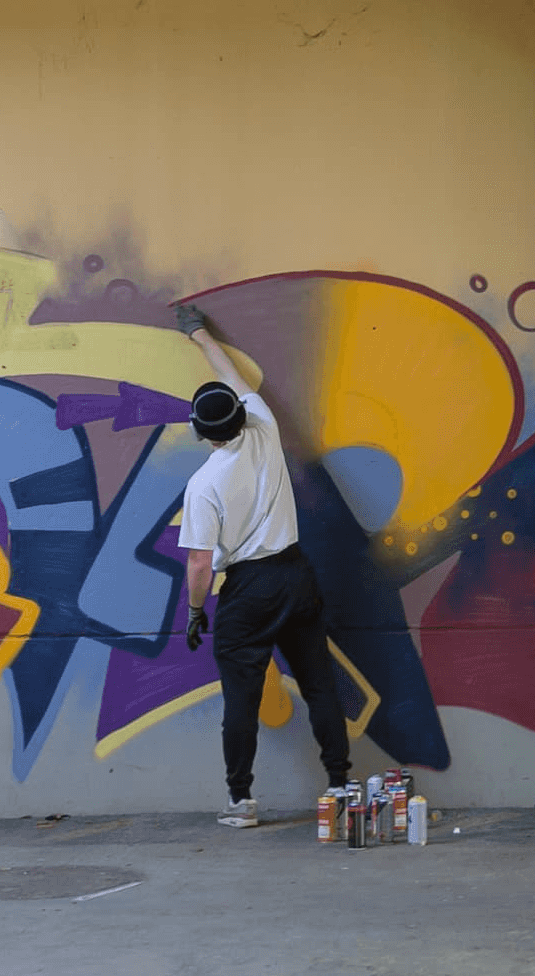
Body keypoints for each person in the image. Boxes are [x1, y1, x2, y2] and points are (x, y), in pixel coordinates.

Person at [174, 302, 352, 827]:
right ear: (240, 414)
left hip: (248, 590)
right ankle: (340, 785)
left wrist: (195, 611)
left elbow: (200, 564)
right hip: (296, 575)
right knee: (319, 684)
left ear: (202, 432)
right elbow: (232, 375)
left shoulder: (204, 485)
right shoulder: (264, 425)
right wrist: (199, 334)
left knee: (241, 700)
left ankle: (241, 801)